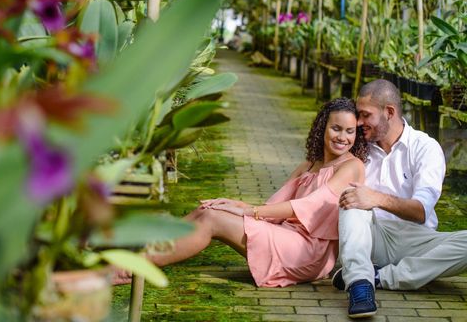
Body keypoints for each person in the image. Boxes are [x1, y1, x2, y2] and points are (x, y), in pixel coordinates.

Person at [116, 97, 367, 287]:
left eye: (350, 131)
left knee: (213, 221)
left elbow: (310, 205)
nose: (342, 137)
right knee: (210, 209)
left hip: (308, 252)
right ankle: (141, 249)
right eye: (336, 128)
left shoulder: (351, 167)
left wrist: (249, 211)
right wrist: (233, 204)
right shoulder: (308, 165)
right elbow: (274, 206)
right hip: (286, 236)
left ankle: (128, 269)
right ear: (323, 127)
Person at [334, 79, 467, 318]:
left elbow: (420, 211)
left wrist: (376, 198)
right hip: (370, 237)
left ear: (390, 112)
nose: (359, 122)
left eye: (366, 115)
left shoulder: (425, 148)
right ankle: (360, 285)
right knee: (352, 200)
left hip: (416, 240)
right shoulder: (358, 147)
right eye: (358, 115)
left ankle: (380, 277)